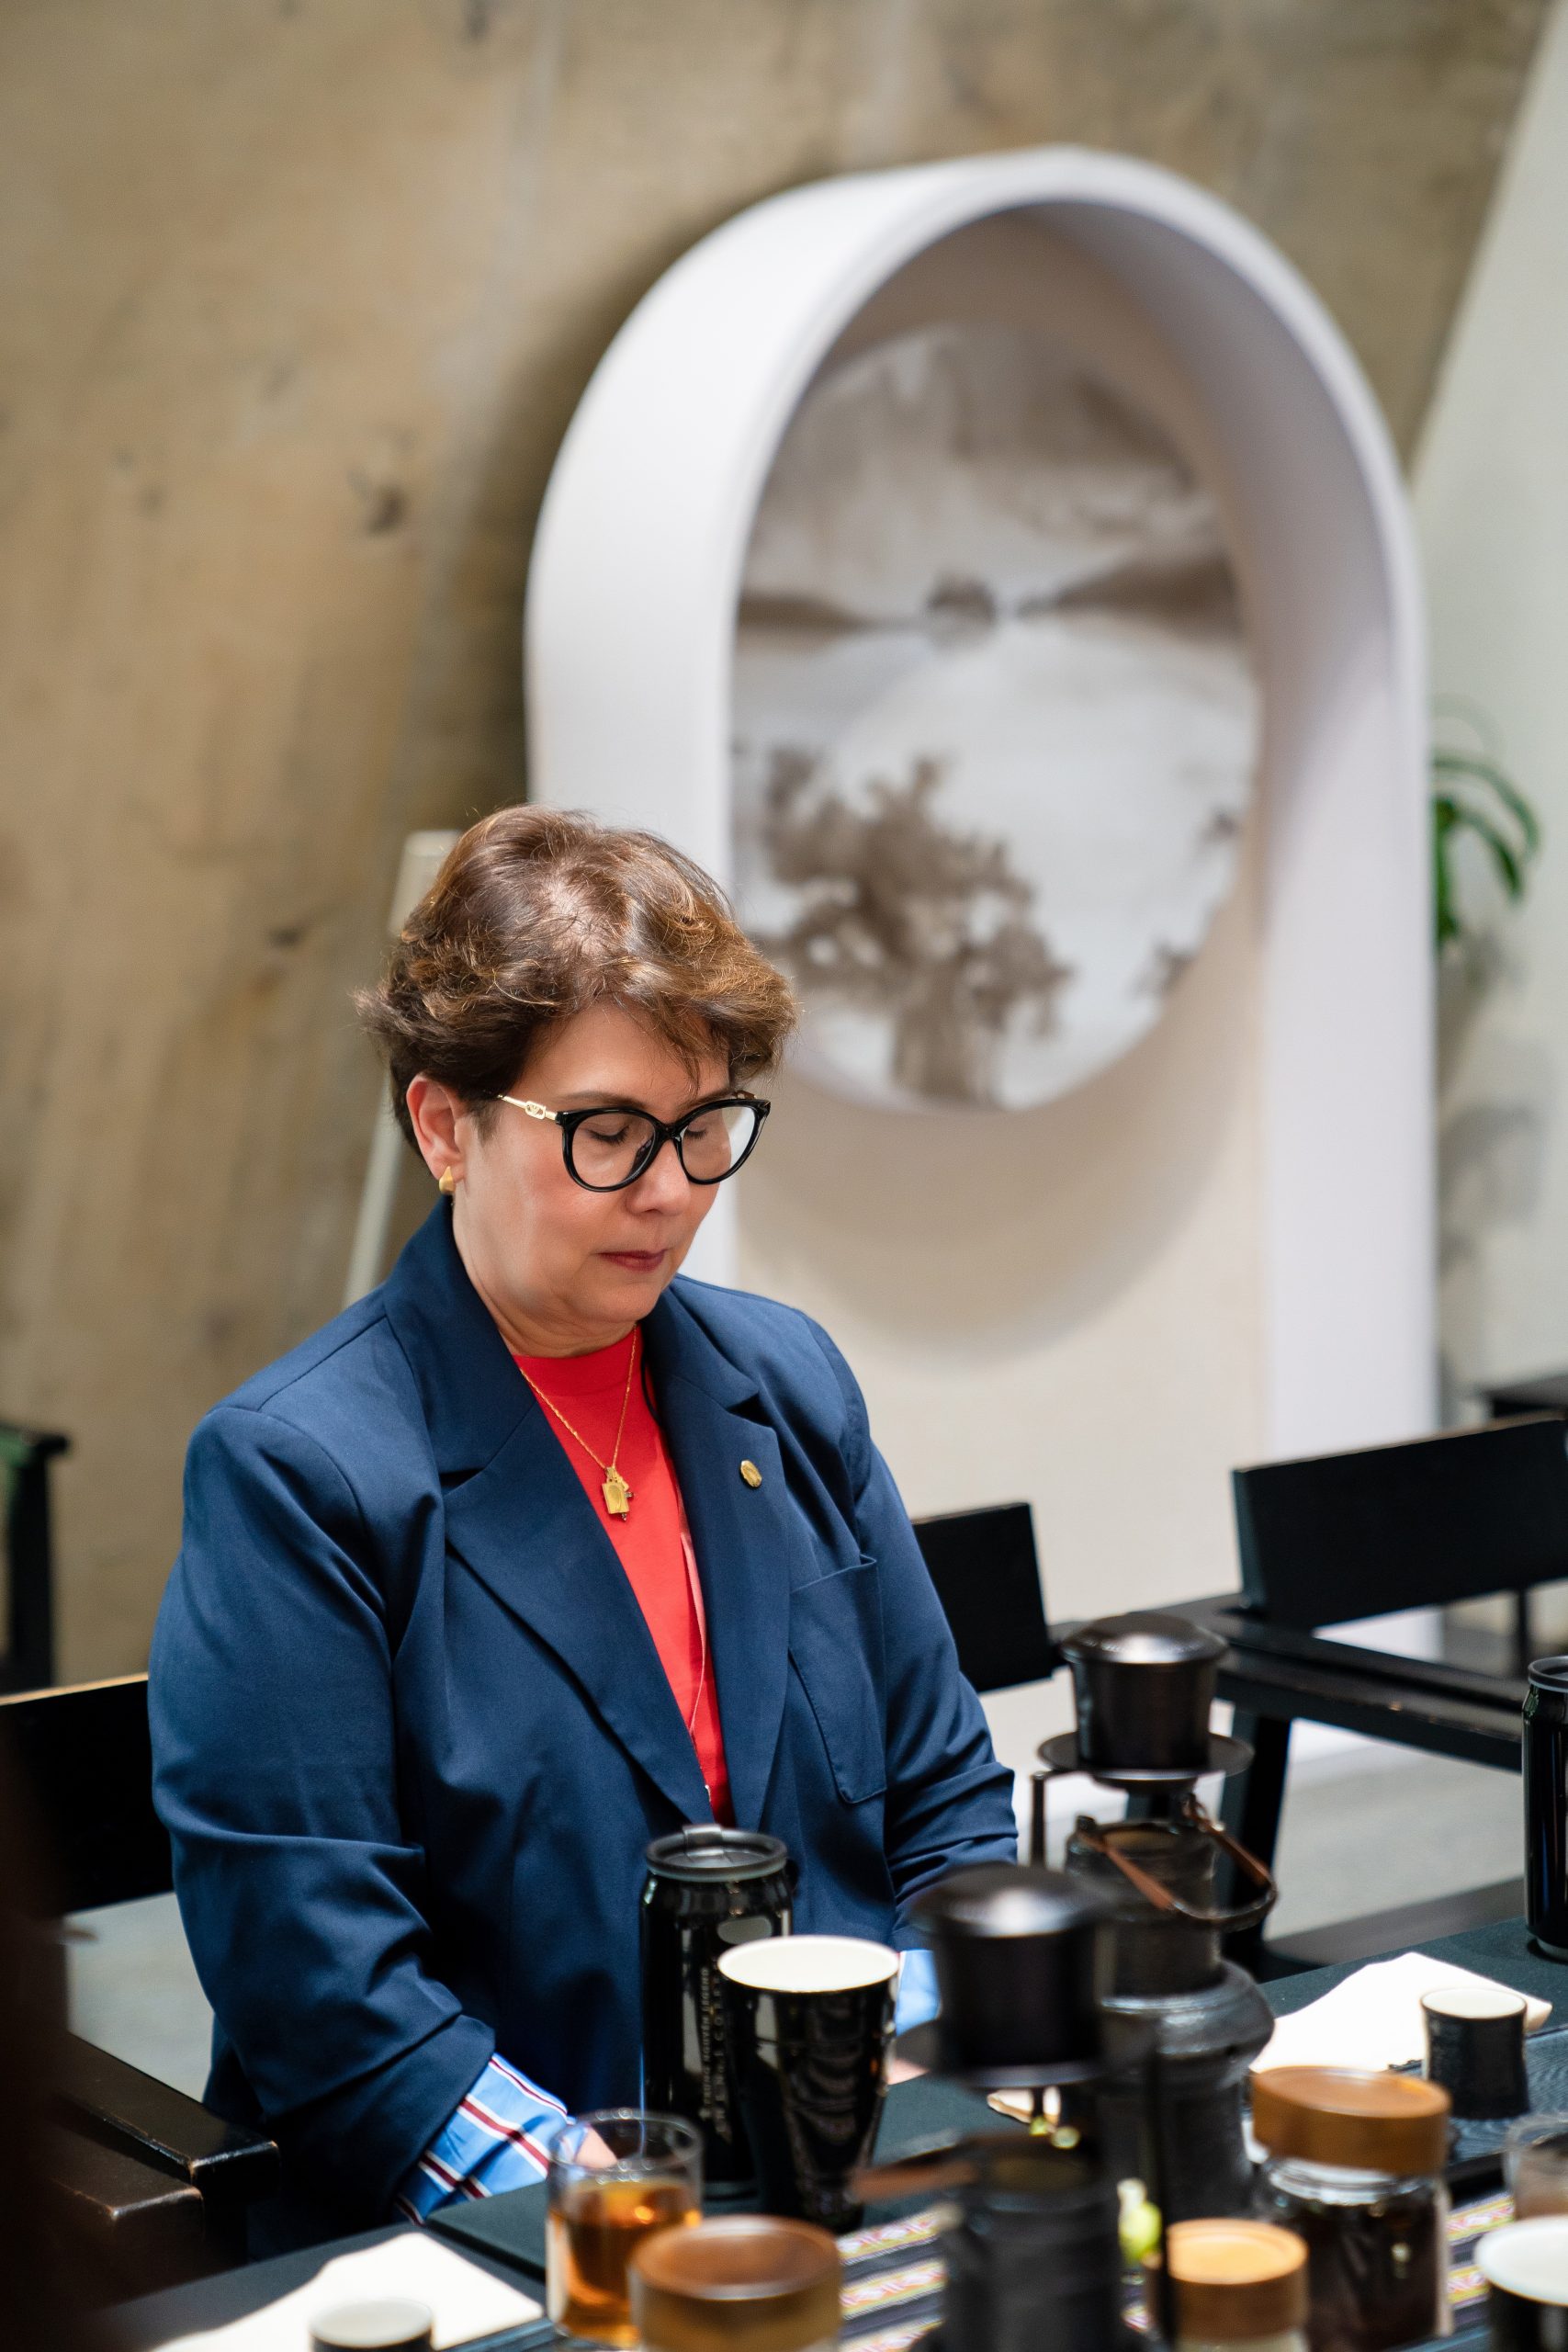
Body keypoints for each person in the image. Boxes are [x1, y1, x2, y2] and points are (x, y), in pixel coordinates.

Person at [150, 807, 1016, 2246]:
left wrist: (896, 2079)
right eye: (609, 1134)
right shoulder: (302, 1471)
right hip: (514, 2229)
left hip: (840, 2160)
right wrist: (617, 2209)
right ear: (446, 1125)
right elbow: (325, 1990)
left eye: (703, 1127)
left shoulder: (783, 1382)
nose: (670, 1191)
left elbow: (943, 1803)